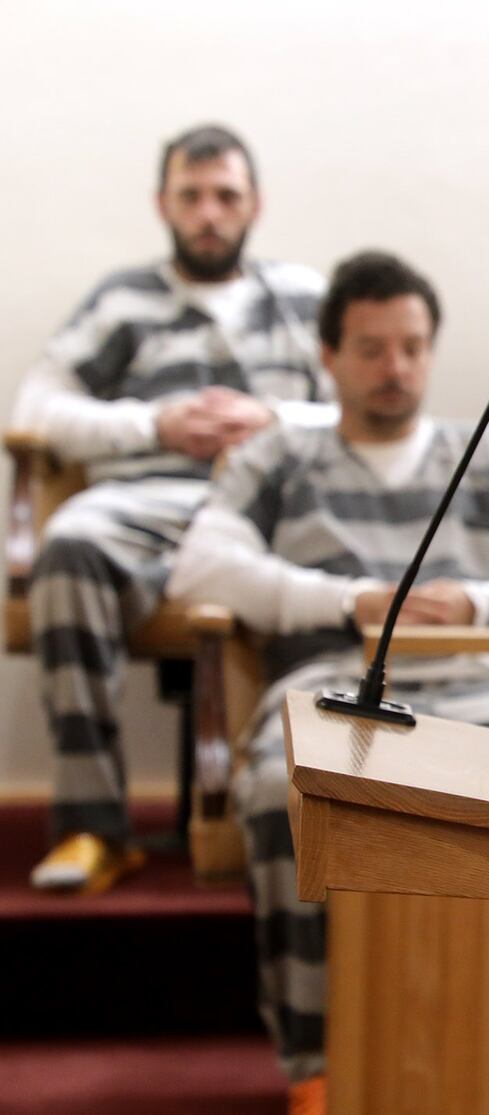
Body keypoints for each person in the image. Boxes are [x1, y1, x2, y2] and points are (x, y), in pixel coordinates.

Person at [168, 251, 489, 1113]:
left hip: (483, 671)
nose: (396, 367)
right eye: (371, 349)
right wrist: (345, 599)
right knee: (279, 789)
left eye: (412, 347)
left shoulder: (483, 454)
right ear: (329, 354)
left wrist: (486, 603)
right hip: (336, 679)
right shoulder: (280, 456)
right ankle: (318, 1067)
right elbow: (200, 565)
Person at [16, 123, 331, 894]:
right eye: (191, 197)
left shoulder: (303, 297)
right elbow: (37, 403)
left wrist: (274, 420)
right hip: (148, 501)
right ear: (164, 204)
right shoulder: (124, 299)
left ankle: (313, 813)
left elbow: (369, 413)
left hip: (267, 507)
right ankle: (93, 827)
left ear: (253, 202)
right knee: (69, 541)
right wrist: (153, 423)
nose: (209, 213)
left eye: (225, 195)